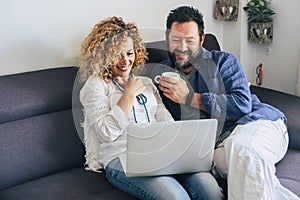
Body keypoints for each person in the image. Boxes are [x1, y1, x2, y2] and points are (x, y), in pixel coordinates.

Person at [150, 6, 300, 200]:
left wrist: (190, 98)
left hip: (256, 124)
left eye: (190, 40)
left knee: (243, 151)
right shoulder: (160, 74)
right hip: (217, 148)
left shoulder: (224, 62)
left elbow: (242, 104)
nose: (182, 47)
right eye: (176, 39)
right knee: (250, 174)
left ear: (202, 40)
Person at [78, 16, 224, 200]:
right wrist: (128, 95)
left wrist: (178, 144)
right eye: (117, 55)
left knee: (210, 190)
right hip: (122, 158)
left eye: (129, 53)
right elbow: (105, 132)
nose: (125, 61)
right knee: (175, 198)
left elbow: (162, 115)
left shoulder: (146, 82)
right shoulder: (95, 86)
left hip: (159, 151)